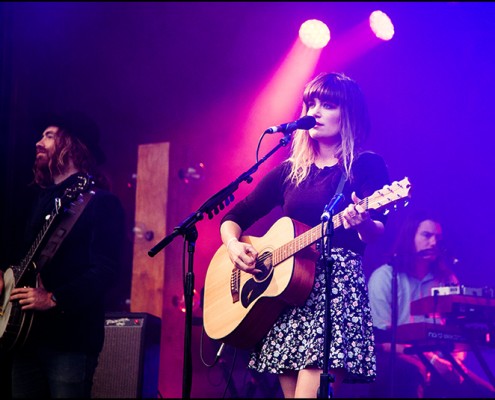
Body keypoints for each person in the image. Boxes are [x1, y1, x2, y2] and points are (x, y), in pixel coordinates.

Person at [218, 72, 391, 398]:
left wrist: (362, 222)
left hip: (334, 290)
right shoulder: (288, 171)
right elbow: (233, 217)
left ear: (349, 113)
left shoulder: (364, 166)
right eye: (311, 103)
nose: (315, 112)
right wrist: (232, 246)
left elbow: (378, 230)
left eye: (327, 105)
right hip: (287, 294)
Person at [0, 110, 126, 398]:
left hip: (70, 342)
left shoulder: (101, 203)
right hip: (26, 339)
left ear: (71, 145)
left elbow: (105, 271)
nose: (37, 142)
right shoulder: (40, 200)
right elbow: (23, 259)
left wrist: (55, 298)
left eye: (48, 135)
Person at [367, 209, 495, 398]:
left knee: (485, 392)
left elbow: (457, 331)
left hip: (442, 358)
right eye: (427, 235)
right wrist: (432, 361)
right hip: (400, 358)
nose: (433, 243)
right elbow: (383, 341)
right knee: (411, 374)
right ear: (410, 236)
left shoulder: (447, 279)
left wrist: (455, 361)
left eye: (437, 238)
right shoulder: (384, 277)